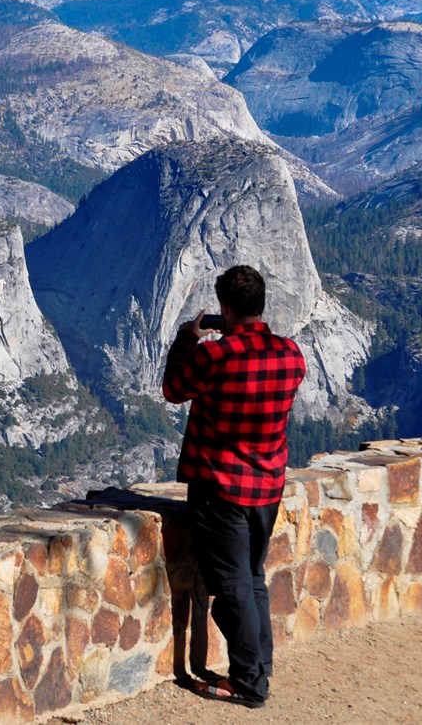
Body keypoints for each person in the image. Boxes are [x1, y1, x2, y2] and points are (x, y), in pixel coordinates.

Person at [162, 264, 306, 709]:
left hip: (220, 489)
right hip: (268, 487)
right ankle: (259, 666)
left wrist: (189, 338)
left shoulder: (215, 356)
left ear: (224, 308)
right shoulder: (292, 355)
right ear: (261, 305)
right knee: (254, 578)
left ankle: (248, 684)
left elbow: (173, 390)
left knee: (232, 587)